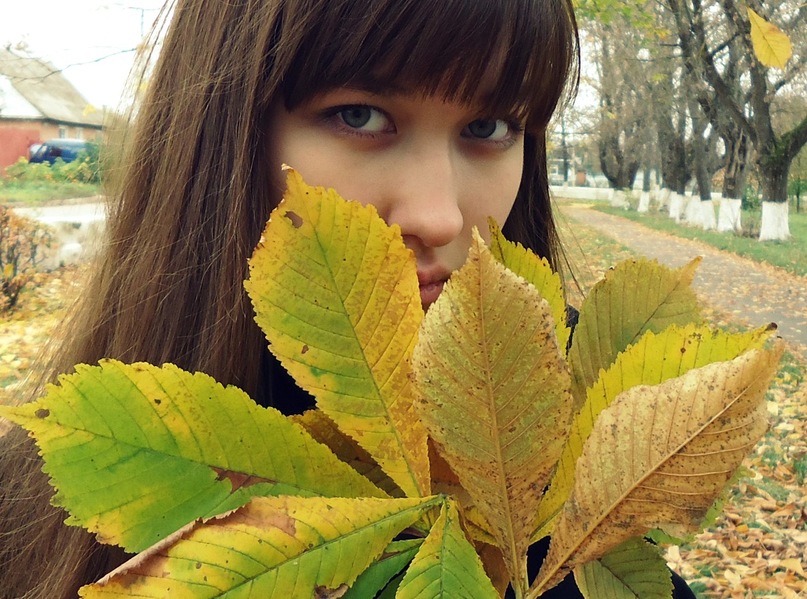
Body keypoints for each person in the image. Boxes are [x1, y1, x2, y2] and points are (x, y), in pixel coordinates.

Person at [0, 0, 694, 597]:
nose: (440, 217)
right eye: (359, 116)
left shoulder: (581, 415)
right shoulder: (30, 504)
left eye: (488, 128)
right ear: (225, 136)